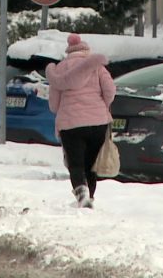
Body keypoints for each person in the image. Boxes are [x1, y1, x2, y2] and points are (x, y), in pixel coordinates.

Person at [45, 33, 115, 208]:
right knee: (91, 163)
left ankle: (81, 191)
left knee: (75, 163)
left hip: (70, 124)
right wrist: (101, 106)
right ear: (86, 51)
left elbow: (54, 105)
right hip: (98, 122)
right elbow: (110, 90)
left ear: (69, 52)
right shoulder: (98, 68)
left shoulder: (59, 70)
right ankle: (89, 195)